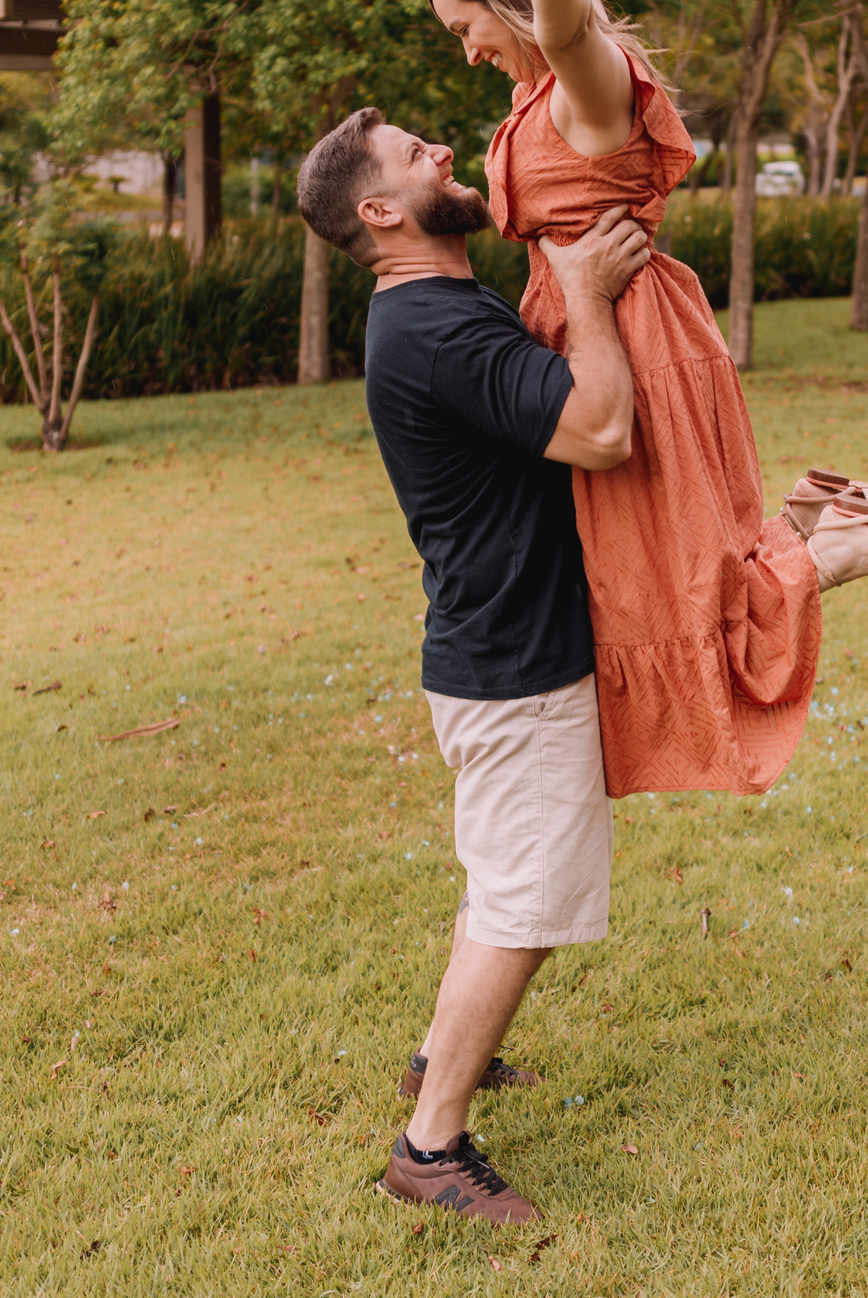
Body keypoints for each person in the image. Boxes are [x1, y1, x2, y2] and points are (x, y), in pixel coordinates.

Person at [418, 0, 868, 801]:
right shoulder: (544, 95)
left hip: (634, 352)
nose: (466, 53)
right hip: (597, 346)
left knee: (672, 581)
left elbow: (567, 28)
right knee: (651, 574)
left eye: (463, 27)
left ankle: (839, 547)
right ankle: (818, 519)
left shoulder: (582, 95)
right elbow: (569, 17)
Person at [296, 108, 651, 1223]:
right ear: (380, 211)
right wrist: (587, 296)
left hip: (496, 652)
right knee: (526, 904)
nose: (445, 152)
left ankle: (437, 1059)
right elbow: (599, 431)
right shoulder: (434, 329)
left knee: (505, 880)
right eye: (415, 156)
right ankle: (429, 1142)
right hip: (514, 669)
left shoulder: (436, 305)